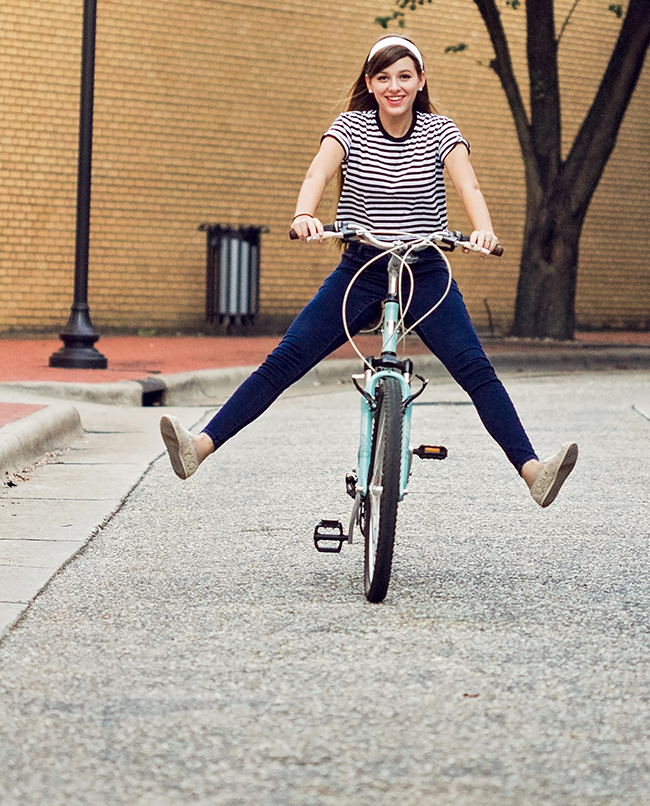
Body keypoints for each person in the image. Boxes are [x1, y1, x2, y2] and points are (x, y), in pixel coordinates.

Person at [160, 35, 577, 507]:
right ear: (370, 83)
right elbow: (318, 172)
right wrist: (303, 213)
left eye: (404, 76)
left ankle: (532, 472)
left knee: (476, 369)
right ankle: (200, 446)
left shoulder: (441, 131)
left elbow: (470, 185)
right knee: (286, 359)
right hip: (363, 267)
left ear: (421, 81)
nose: (394, 86)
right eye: (383, 78)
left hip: (425, 270)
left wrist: (484, 231)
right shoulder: (350, 127)